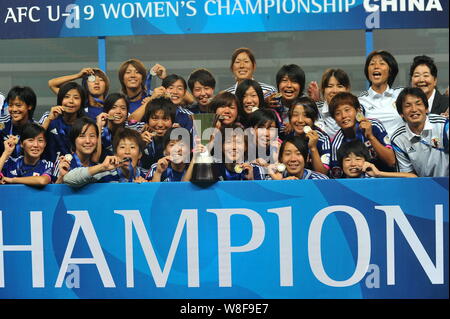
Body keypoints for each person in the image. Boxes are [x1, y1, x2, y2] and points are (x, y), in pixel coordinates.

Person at [329, 92, 396, 177]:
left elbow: (391, 162)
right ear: (334, 119)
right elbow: (337, 177)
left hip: (385, 179)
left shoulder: (374, 126)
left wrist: (371, 137)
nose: (343, 116)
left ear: (358, 111)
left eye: (347, 110)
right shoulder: (336, 143)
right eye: (337, 113)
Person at [391, 87, 449, 177]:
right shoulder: (398, 139)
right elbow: (408, 175)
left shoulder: (443, 125)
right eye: (407, 105)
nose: (414, 109)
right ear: (401, 113)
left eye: (418, 104)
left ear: (426, 109)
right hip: (423, 186)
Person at [63, 127, 148, 187]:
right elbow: (68, 179)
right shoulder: (104, 173)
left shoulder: (147, 175)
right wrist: (102, 167)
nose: (127, 151)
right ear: (115, 153)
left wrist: (145, 188)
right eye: (122, 147)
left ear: (140, 154)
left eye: (132, 147)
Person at [358, 50, 404, 138]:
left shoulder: (401, 94)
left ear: (390, 70)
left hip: (402, 149)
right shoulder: (360, 101)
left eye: (382, 63)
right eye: (372, 64)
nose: (376, 67)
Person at [40, 82, 87, 163]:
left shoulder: (86, 124)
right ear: (60, 99)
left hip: (75, 170)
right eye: (66, 97)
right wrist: (49, 119)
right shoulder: (48, 117)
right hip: (48, 170)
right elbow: (35, 140)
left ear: (82, 102)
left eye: (76, 98)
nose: (71, 101)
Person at [287, 97, 331, 175]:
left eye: (306, 115)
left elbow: (323, 173)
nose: (300, 120)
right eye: (295, 115)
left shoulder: (323, 139)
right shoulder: (286, 135)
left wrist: (313, 148)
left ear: (314, 118)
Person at [337, 139, 416, 178]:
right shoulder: (335, 184)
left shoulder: (374, 180)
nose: (353, 164)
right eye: (347, 160)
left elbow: (413, 177)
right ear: (341, 163)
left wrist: (379, 173)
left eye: (358, 159)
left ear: (366, 161)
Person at [140, 97, 178, 169]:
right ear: (147, 121)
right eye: (155, 118)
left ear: (172, 121)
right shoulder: (140, 139)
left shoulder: (180, 140)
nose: (160, 124)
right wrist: (140, 145)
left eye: (165, 119)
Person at [0, 86, 37, 158]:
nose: (14, 109)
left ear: (29, 106)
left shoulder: (36, 129)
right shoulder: (2, 124)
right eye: (10, 105)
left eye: (18, 105)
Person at [315, 68, 351, 139]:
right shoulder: (315, 110)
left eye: (340, 86)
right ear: (323, 89)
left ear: (347, 89)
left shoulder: (356, 110)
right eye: (330, 86)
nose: (335, 91)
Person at [267, 64, 306, 129]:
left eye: (294, 81)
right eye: (284, 80)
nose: (289, 85)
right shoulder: (272, 104)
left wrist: (296, 126)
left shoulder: (307, 105)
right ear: (278, 85)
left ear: (301, 86)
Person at [96, 93, 129, 158]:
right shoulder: (99, 131)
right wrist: (98, 128)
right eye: (113, 107)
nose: (118, 111)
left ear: (127, 113)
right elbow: (95, 158)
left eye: (123, 108)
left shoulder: (133, 129)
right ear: (106, 111)